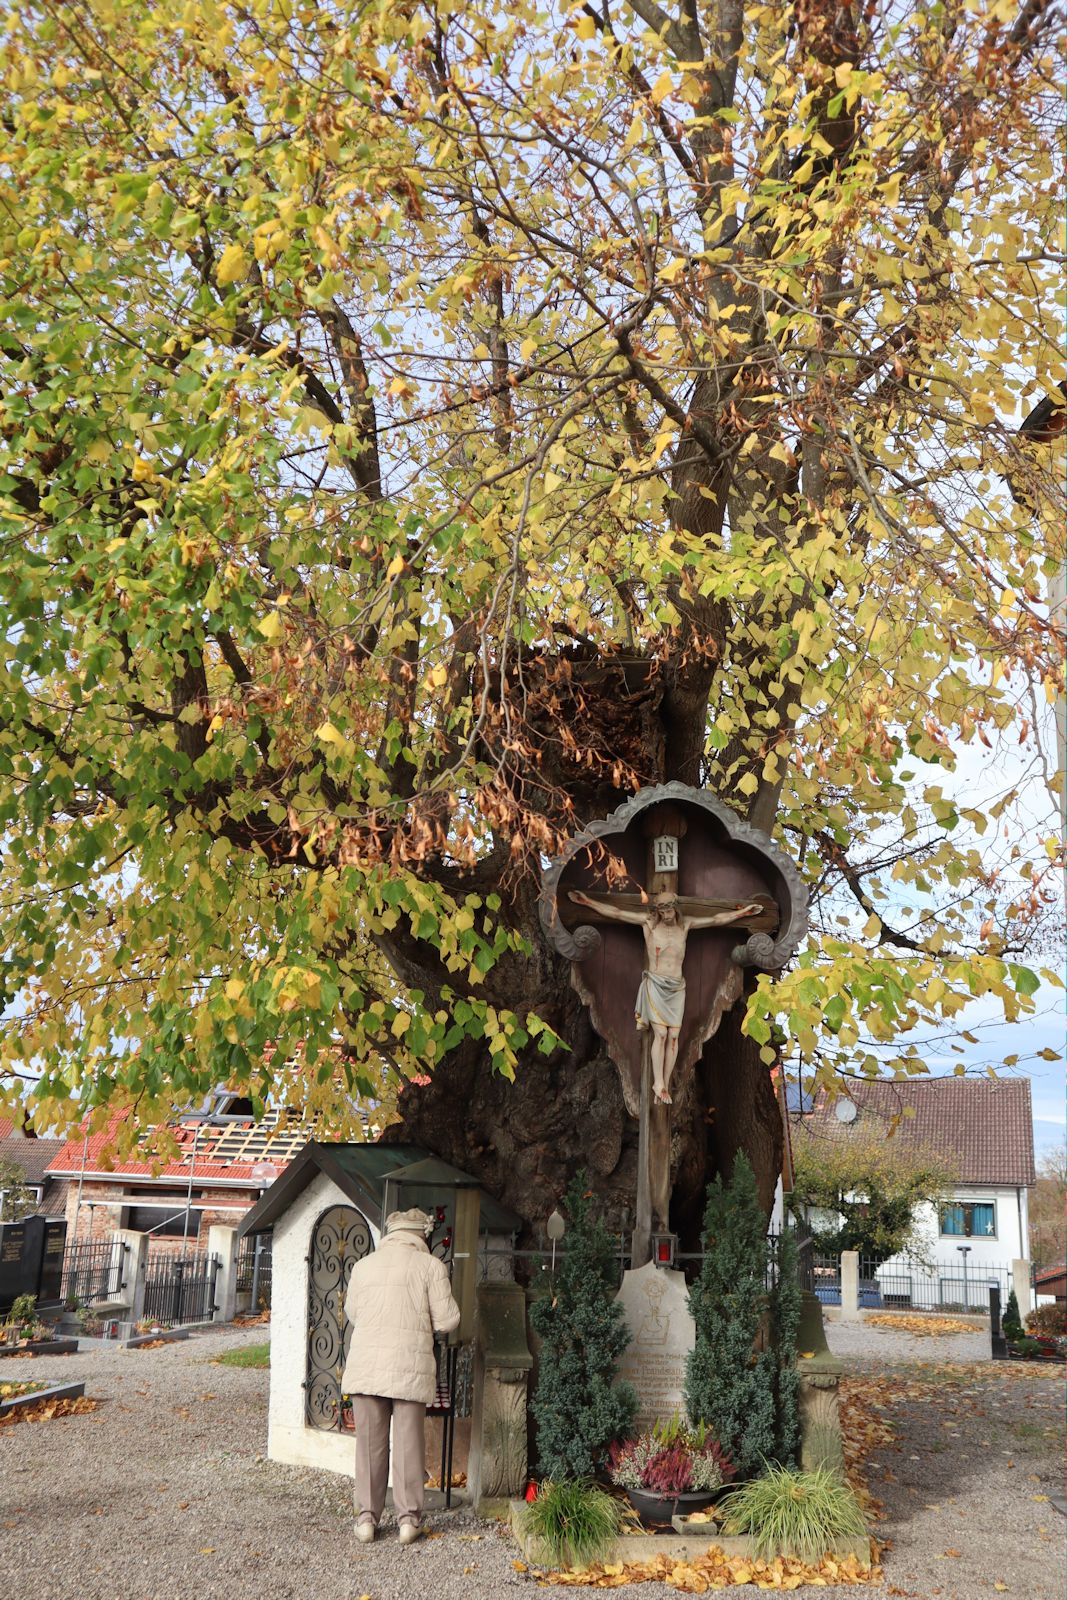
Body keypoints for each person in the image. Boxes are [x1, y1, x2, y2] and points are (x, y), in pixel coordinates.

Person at [568, 888, 763, 1104]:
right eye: (662, 910)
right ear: (658, 911)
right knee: (660, 1033)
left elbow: (716, 919)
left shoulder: (684, 925)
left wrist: (743, 913)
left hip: (677, 987)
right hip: (656, 984)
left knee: (673, 1036)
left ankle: (665, 1082)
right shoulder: (649, 924)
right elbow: (617, 913)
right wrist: (587, 902)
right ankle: (657, 1082)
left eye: (669, 909)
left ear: (675, 908)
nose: (666, 914)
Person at [341, 1207, 461, 1545]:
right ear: (420, 1235)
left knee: (368, 1445)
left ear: (390, 1234)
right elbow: (448, 1320)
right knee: (409, 1445)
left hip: (366, 1366)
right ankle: (408, 1521)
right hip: (410, 1366)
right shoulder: (430, 1266)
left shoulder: (364, 1266)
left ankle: (367, 1519)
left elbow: (352, 1312)